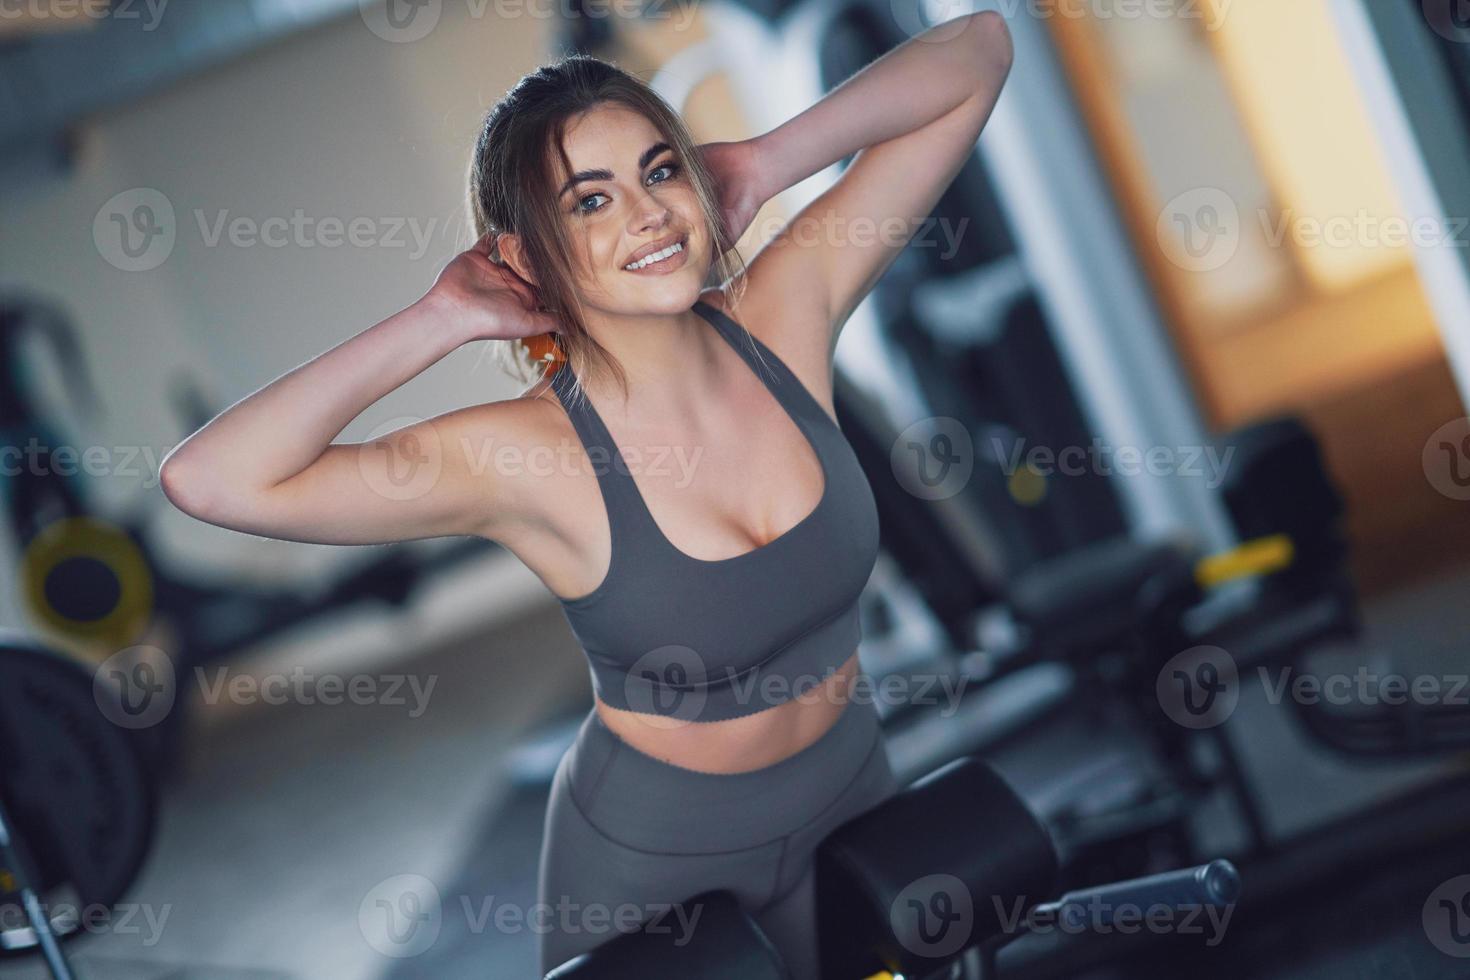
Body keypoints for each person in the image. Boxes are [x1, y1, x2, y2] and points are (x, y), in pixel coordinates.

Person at [160, 13, 1012, 977]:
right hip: (657, 869)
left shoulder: (787, 311)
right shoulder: (521, 455)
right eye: (589, 203)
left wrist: (765, 161)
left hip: (853, 792)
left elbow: (978, 50)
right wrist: (441, 316)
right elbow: (210, 479)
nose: (646, 217)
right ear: (526, 255)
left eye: (658, 172)